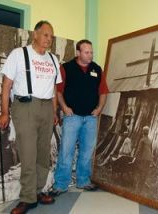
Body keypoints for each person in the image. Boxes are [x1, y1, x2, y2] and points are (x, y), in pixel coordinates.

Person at [0, 20, 61, 214]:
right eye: (45, 35)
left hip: (46, 108)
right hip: (25, 106)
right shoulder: (18, 54)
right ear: (35, 34)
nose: (48, 39)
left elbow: (54, 88)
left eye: (51, 36)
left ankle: (38, 191)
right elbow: (6, 85)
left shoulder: (53, 59)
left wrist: (55, 112)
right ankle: (27, 198)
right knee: (27, 153)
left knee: (43, 154)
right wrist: (4, 112)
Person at [50, 39, 109, 195]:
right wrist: (64, 107)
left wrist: (99, 109)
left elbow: (103, 91)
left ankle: (83, 181)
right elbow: (58, 91)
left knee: (87, 151)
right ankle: (61, 184)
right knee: (66, 151)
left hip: (90, 118)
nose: (90, 55)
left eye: (92, 52)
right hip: (72, 117)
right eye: (87, 52)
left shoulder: (97, 69)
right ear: (78, 52)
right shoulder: (66, 68)